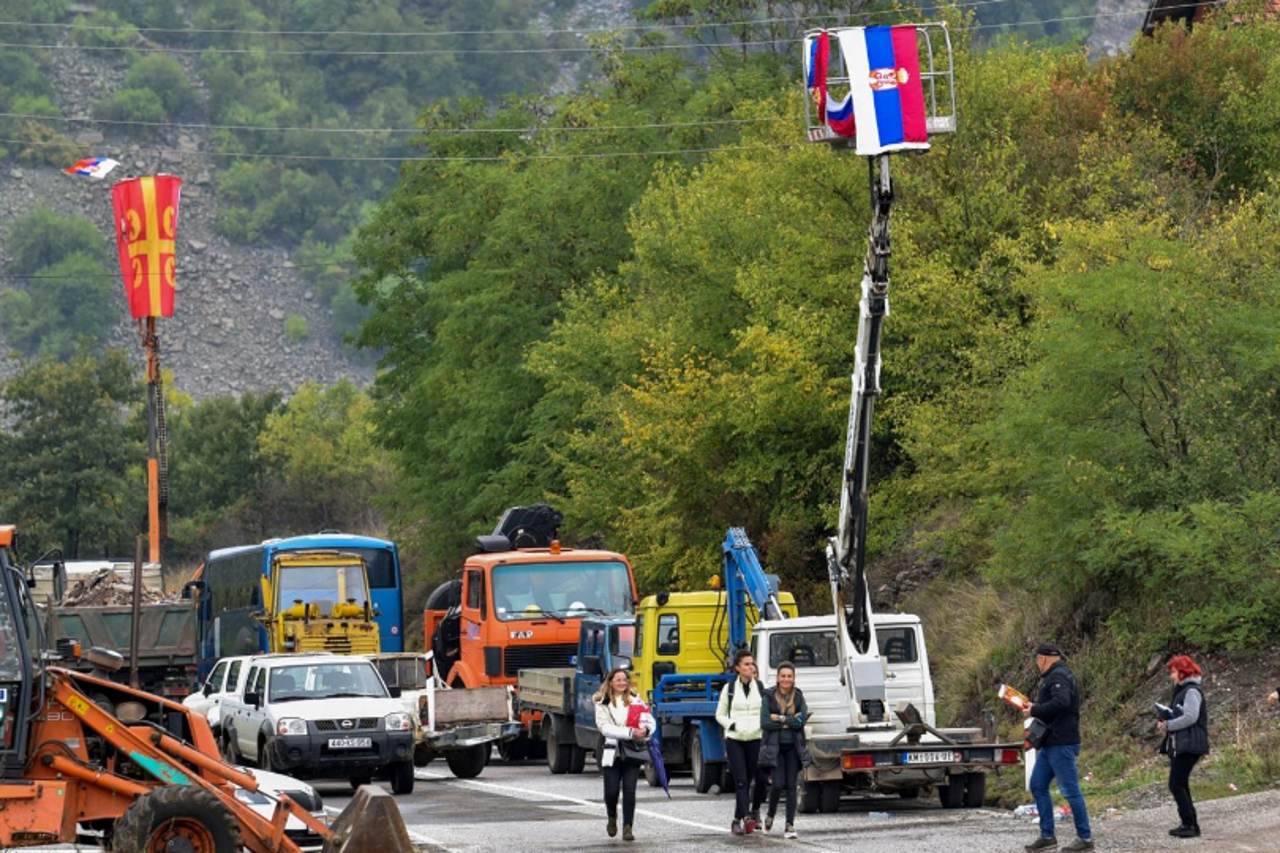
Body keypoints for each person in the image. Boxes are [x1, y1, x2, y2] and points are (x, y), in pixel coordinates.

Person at [1011, 642, 1094, 852]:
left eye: (1037, 661)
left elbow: (1062, 702)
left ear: (1042, 659)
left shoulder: (1058, 676)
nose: (1037, 664)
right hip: (1050, 743)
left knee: (1070, 790)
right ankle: (1047, 836)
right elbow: (1054, 705)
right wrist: (1035, 708)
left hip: (1061, 742)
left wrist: (1034, 710)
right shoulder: (1055, 675)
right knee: (1038, 785)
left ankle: (1085, 838)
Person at [594, 667, 654, 842]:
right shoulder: (602, 702)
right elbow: (604, 728)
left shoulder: (636, 700)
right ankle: (612, 816)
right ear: (610, 682)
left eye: (624, 680)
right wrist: (630, 732)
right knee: (611, 791)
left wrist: (646, 730)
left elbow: (649, 720)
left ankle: (628, 827)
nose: (622, 683)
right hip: (611, 750)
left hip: (632, 750)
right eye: (618, 680)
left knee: (630, 790)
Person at [715, 649, 768, 836]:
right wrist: (732, 725)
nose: (751, 667)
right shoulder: (729, 689)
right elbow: (719, 714)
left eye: (752, 663)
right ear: (737, 668)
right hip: (735, 740)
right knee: (741, 780)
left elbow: (766, 712)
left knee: (755, 778)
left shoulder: (760, 687)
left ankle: (736, 819)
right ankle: (746, 818)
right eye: (746, 664)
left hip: (755, 739)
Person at [758, 661, 811, 839]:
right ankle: (770, 815)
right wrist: (790, 720)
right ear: (778, 678)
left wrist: (780, 719)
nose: (786, 679)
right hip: (775, 748)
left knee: (791, 786)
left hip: (794, 748)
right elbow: (765, 722)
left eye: (789, 676)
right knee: (778, 784)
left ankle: (789, 825)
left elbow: (801, 721)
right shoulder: (768, 696)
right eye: (783, 676)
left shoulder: (799, 696)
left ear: (794, 678)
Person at [1159, 655, 1208, 839]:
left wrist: (1169, 725)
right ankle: (1188, 823)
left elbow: (1190, 717)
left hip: (1189, 744)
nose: (1171, 676)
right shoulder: (1183, 690)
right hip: (1183, 744)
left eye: (1173, 672)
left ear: (1182, 672)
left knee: (1176, 783)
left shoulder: (1192, 691)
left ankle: (1190, 825)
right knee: (1180, 783)